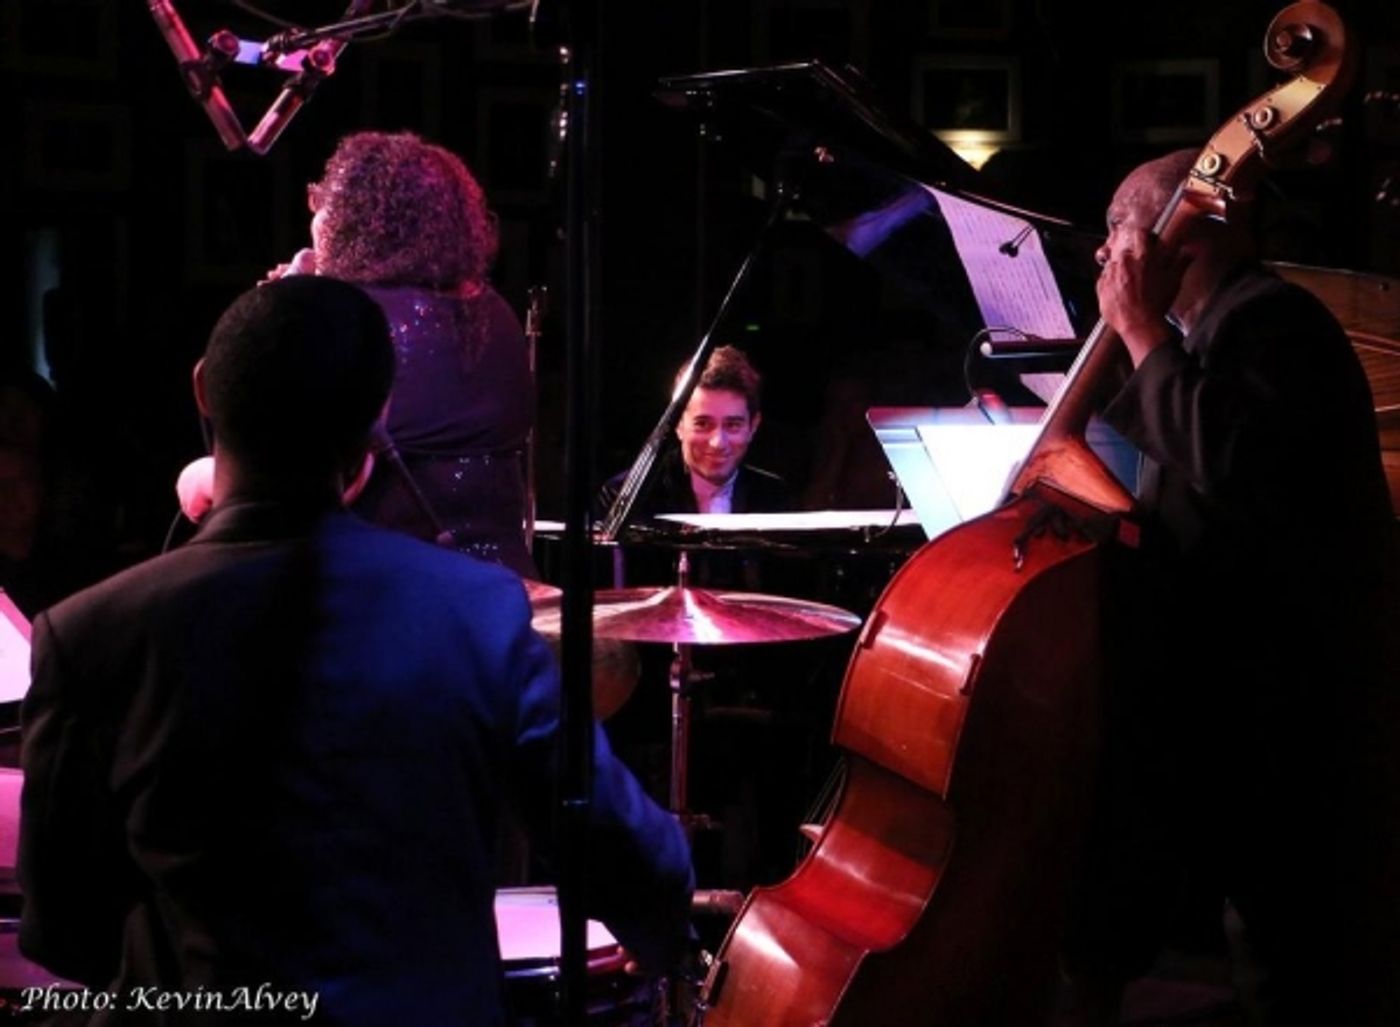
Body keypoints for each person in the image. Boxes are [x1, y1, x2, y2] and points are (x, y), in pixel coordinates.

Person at [18, 276, 693, 1026]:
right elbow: (639, 860)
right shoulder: (477, 614)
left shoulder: (85, 635)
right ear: (379, 417)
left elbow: (62, 928)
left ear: (205, 391)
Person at [1064, 149, 1400, 1025]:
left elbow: (1227, 459)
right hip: (1245, 703)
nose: (1105, 259)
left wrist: (1138, 335)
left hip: (1291, 714)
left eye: (1118, 232)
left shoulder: (1273, 322)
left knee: (1298, 970)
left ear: (1188, 227)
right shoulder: (1221, 329)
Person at [180, 130, 537, 578]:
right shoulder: (495, 313)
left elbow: (292, 483)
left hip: (392, 596)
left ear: (354, 221)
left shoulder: (351, 323)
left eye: (320, 200)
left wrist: (199, 473)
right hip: (507, 586)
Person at [597, 345, 791, 519]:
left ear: (753, 426)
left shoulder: (773, 497)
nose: (718, 442)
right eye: (703, 424)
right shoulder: (627, 496)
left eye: (732, 425)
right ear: (678, 424)